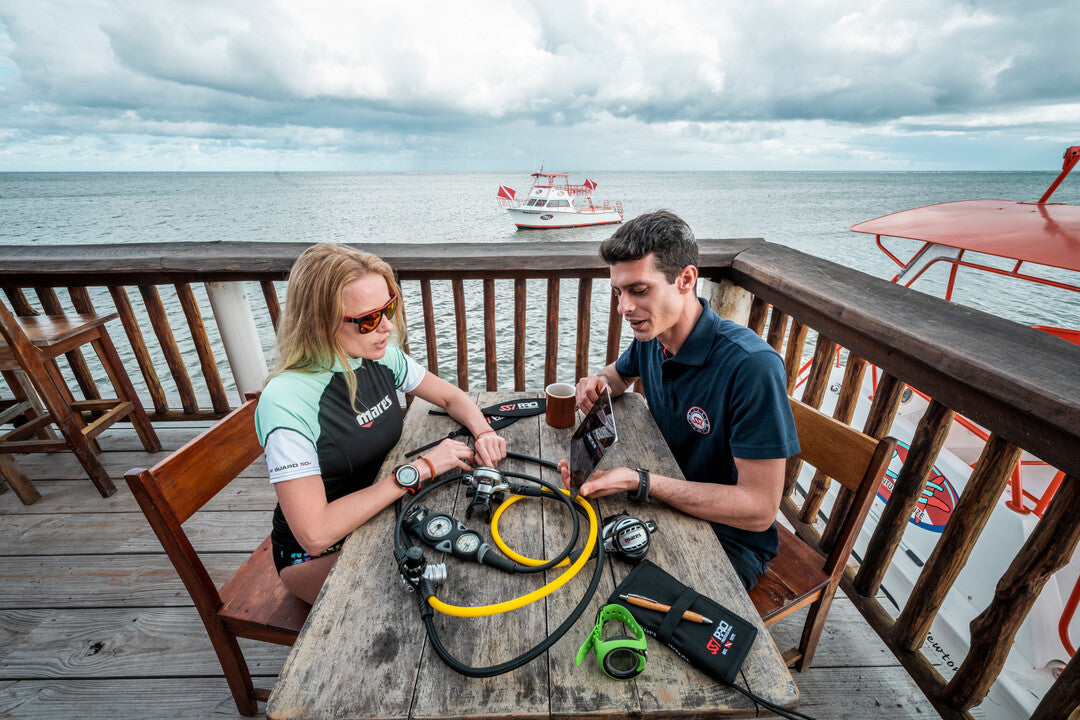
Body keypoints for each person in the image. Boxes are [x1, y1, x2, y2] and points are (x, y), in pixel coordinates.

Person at [255, 243, 506, 604]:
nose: (387, 326)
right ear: (318, 322)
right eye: (369, 319)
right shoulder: (286, 401)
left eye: (388, 308)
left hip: (383, 512)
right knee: (455, 587)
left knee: (473, 552)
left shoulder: (380, 355)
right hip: (316, 556)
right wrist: (420, 469)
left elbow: (451, 397)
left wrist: (482, 430)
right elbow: (315, 532)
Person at [563, 210, 800, 590]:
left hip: (730, 539)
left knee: (606, 594)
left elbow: (759, 510)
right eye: (618, 292)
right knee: (570, 557)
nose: (623, 307)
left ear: (686, 279)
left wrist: (642, 482)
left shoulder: (752, 367)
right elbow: (618, 375)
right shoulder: (654, 337)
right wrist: (596, 384)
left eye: (639, 290)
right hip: (661, 499)